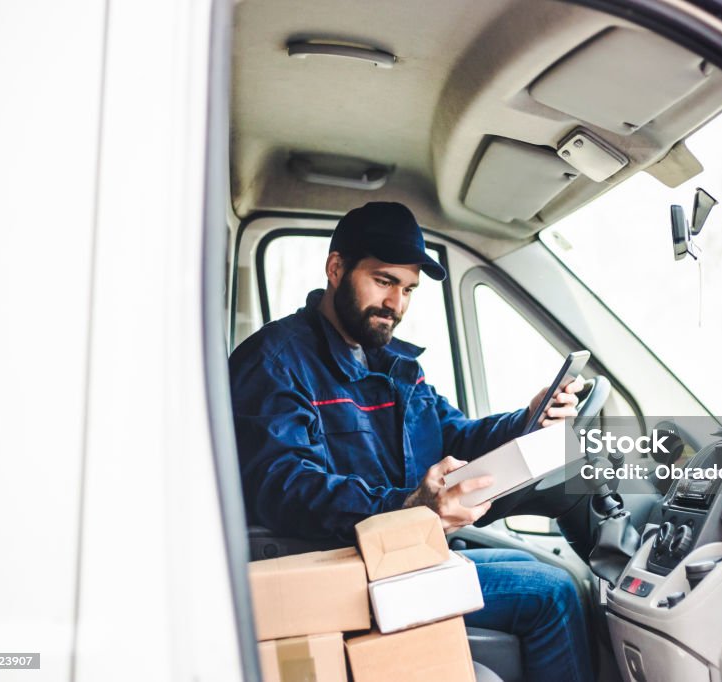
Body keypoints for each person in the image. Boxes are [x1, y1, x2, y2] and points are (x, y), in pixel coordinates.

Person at [229, 201, 593, 682]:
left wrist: (527, 418)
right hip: (343, 569)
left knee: (539, 565)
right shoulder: (275, 362)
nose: (395, 305)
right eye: (383, 281)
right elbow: (285, 486)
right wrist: (408, 504)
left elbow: (454, 435)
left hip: (401, 554)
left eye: (408, 290)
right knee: (551, 592)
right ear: (336, 269)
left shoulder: (395, 363)